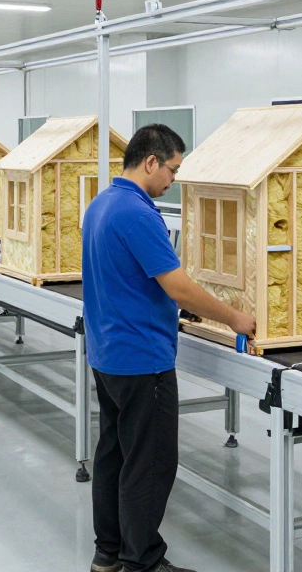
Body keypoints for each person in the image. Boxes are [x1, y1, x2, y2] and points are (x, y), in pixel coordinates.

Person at [82, 124, 255, 572]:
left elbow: (127, 278)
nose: (173, 181)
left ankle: (108, 553)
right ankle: (143, 562)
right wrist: (235, 318)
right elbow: (177, 286)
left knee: (114, 454)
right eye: (173, 170)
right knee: (150, 463)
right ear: (151, 162)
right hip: (142, 359)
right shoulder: (138, 213)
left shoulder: (101, 204)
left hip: (107, 353)